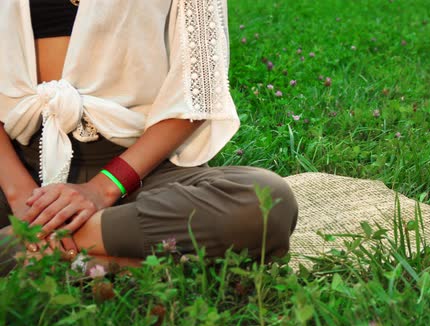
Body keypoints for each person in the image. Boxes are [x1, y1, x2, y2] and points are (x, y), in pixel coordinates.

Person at [0, 0, 298, 276]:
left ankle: (37, 250)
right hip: (14, 166)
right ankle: (105, 263)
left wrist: (102, 189)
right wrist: (19, 193)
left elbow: (198, 93)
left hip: (142, 171)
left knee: (266, 202)